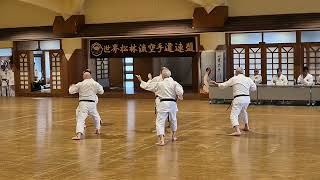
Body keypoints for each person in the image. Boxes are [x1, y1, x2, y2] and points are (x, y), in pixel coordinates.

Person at [136, 68, 184, 146]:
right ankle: (174, 136)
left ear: (162, 75)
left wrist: (141, 80)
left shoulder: (160, 84)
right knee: (173, 119)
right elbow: (180, 92)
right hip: (172, 104)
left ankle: (162, 140)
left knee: (160, 121)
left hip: (163, 104)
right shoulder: (175, 83)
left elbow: (147, 86)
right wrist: (179, 96)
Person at [211, 67, 257, 136]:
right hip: (247, 99)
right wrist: (246, 88)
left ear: (236, 72)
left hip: (239, 99)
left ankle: (238, 131)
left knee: (233, 115)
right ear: (243, 72)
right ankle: (246, 126)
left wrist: (217, 84)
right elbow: (254, 88)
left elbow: (224, 85)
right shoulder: (248, 79)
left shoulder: (234, 78)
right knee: (243, 111)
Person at [69, 70, 104, 140]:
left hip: (83, 103)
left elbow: (71, 91)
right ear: (90, 76)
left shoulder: (80, 84)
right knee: (96, 116)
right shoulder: (95, 84)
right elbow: (101, 92)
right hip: (92, 103)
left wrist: (71, 86)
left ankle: (78, 135)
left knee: (81, 119)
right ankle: (98, 130)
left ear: (83, 77)